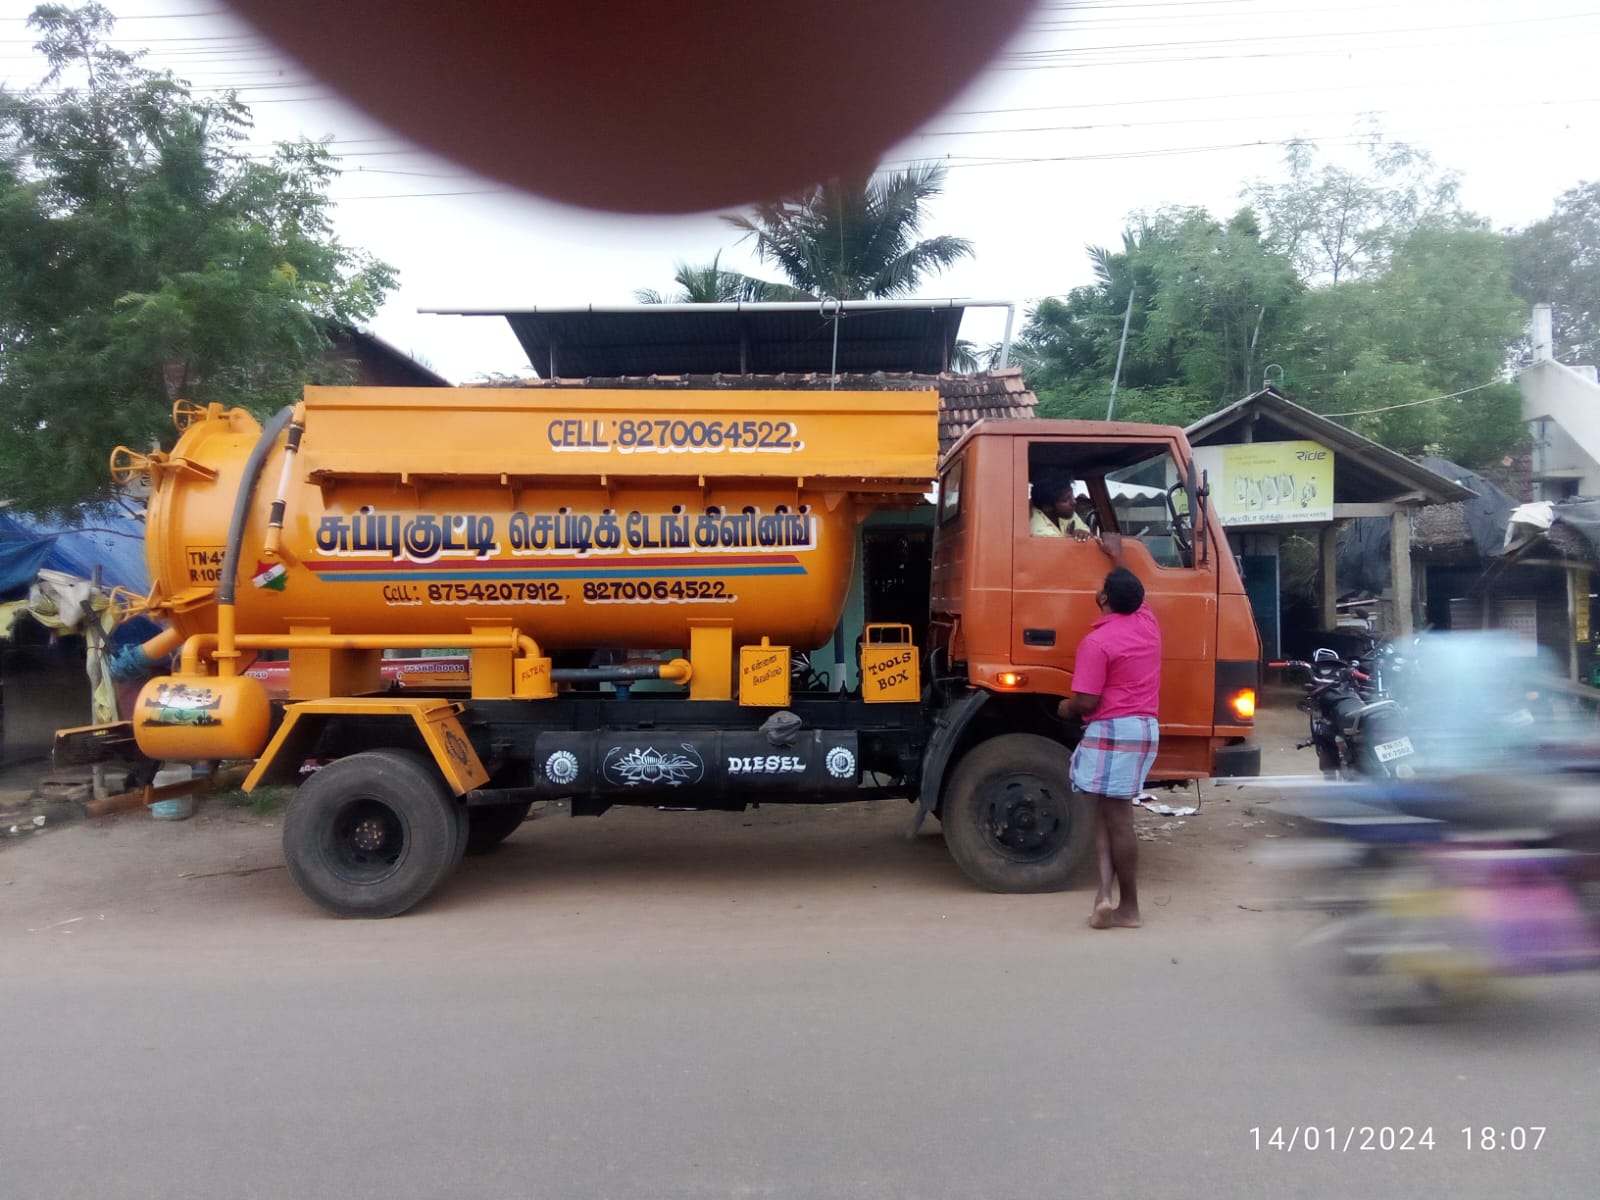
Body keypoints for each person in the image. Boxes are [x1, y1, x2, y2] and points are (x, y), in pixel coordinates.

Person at [1059, 534, 1161, 929]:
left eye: (1102, 589)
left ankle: (1130, 907)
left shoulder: (1096, 642)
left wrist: (1062, 707)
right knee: (1106, 815)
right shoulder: (1147, 623)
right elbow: (1134, 590)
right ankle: (1103, 897)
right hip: (1143, 729)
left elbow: (1084, 702)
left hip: (1112, 730)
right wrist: (1117, 557)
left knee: (1118, 819)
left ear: (1104, 601)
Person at [1030, 473, 1092, 540]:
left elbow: (1085, 530)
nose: (1074, 502)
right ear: (1047, 507)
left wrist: (1081, 532)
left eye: (1072, 496)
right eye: (1065, 500)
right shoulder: (1039, 530)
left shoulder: (1065, 512)